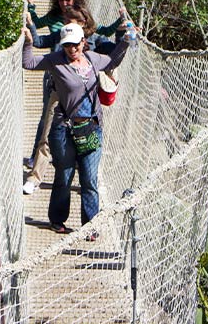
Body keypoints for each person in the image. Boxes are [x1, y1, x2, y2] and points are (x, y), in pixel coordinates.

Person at [22, 22, 129, 237]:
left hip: (91, 127)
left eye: (75, 44)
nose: (72, 49)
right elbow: (29, 63)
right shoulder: (56, 61)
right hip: (64, 129)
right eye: (67, 45)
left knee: (89, 178)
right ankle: (57, 219)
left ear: (83, 42)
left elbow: (112, 61)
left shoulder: (92, 59)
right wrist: (28, 42)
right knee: (65, 174)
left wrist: (124, 40)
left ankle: (90, 226)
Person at [23, 0, 124, 171]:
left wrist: (122, 33)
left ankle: (80, 166)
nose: (64, 4)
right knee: (47, 124)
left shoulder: (94, 39)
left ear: (83, 23)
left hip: (84, 93)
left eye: (67, 0)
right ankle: (36, 172)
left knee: (82, 129)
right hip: (56, 83)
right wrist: (30, 20)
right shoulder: (59, 32)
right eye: (60, 0)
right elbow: (37, 41)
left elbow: (113, 53)